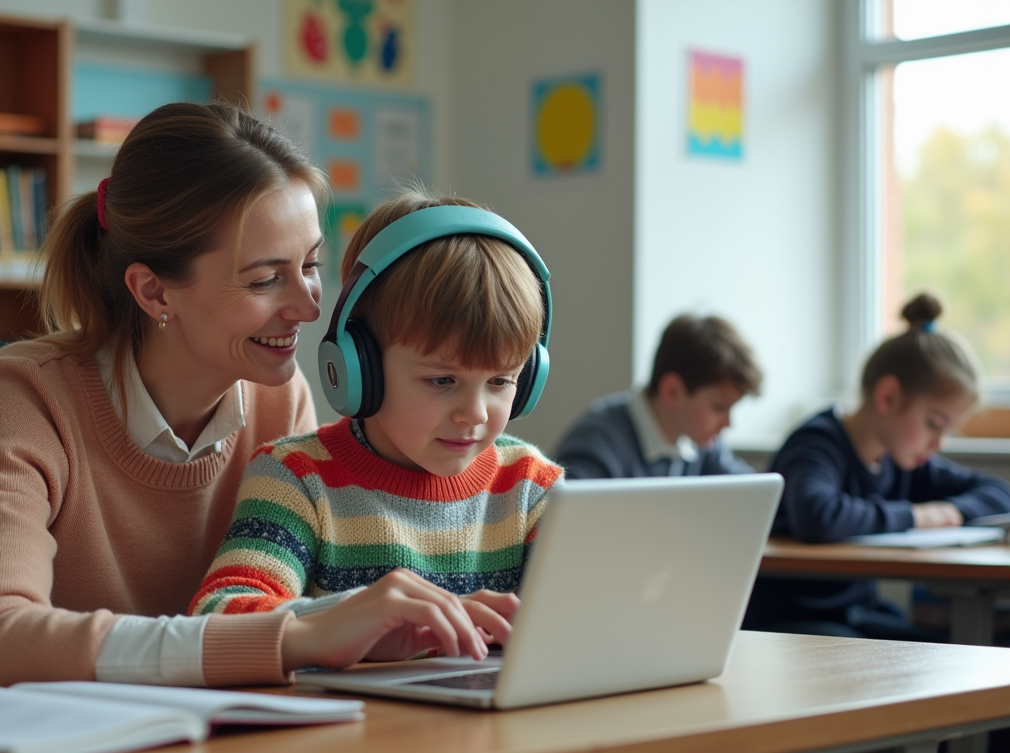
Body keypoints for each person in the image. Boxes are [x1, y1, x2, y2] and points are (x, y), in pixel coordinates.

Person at [0, 102, 509, 691]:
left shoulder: (281, 399)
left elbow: (283, 612)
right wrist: (297, 636)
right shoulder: (23, 397)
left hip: (187, 740)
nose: (308, 307)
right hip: (11, 750)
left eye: (310, 264)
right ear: (153, 291)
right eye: (264, 279)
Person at [188, 189, 563, 619]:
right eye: (442, 380)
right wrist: (354, 618)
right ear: (359, 367)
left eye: (500, 380)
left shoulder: (530, 488)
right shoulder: (297, 480)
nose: (475, 414)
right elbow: (219, 615)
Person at [744, 293, 1010, 639]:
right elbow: (818, 515)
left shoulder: (901, 457)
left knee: (960, 649)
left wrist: (950, 511)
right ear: (889, 397)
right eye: (934, 423)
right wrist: (918, 516)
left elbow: (998, 492)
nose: (939, 443)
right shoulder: (816, 443)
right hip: (791, 622)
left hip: (858, 616)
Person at [553, 314, 761, 479]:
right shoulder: (598, 441)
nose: (727, 423)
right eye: (719, 407)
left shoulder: (703, 444)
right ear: (672, 392)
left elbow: (752, 492)